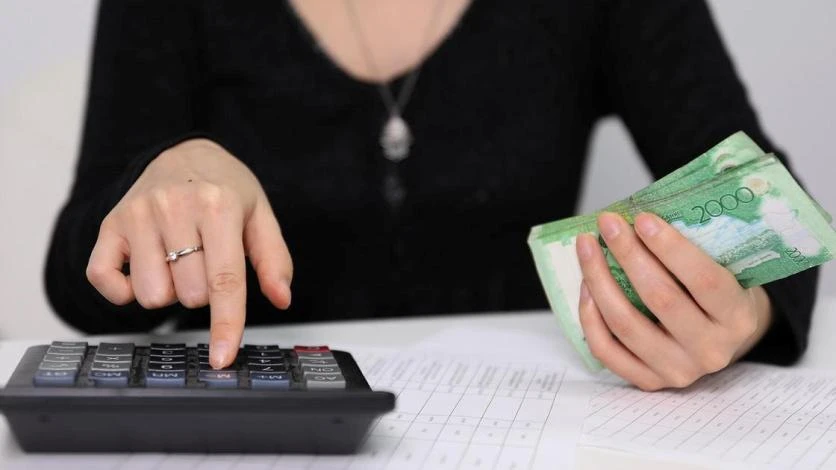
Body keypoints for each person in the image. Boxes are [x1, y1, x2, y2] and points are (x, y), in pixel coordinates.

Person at [45, 0, 819, 390]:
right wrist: (156, 187)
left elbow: (778, 210)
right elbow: (78, 288)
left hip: (533, 423)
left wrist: (740, 313)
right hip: (257, 425)